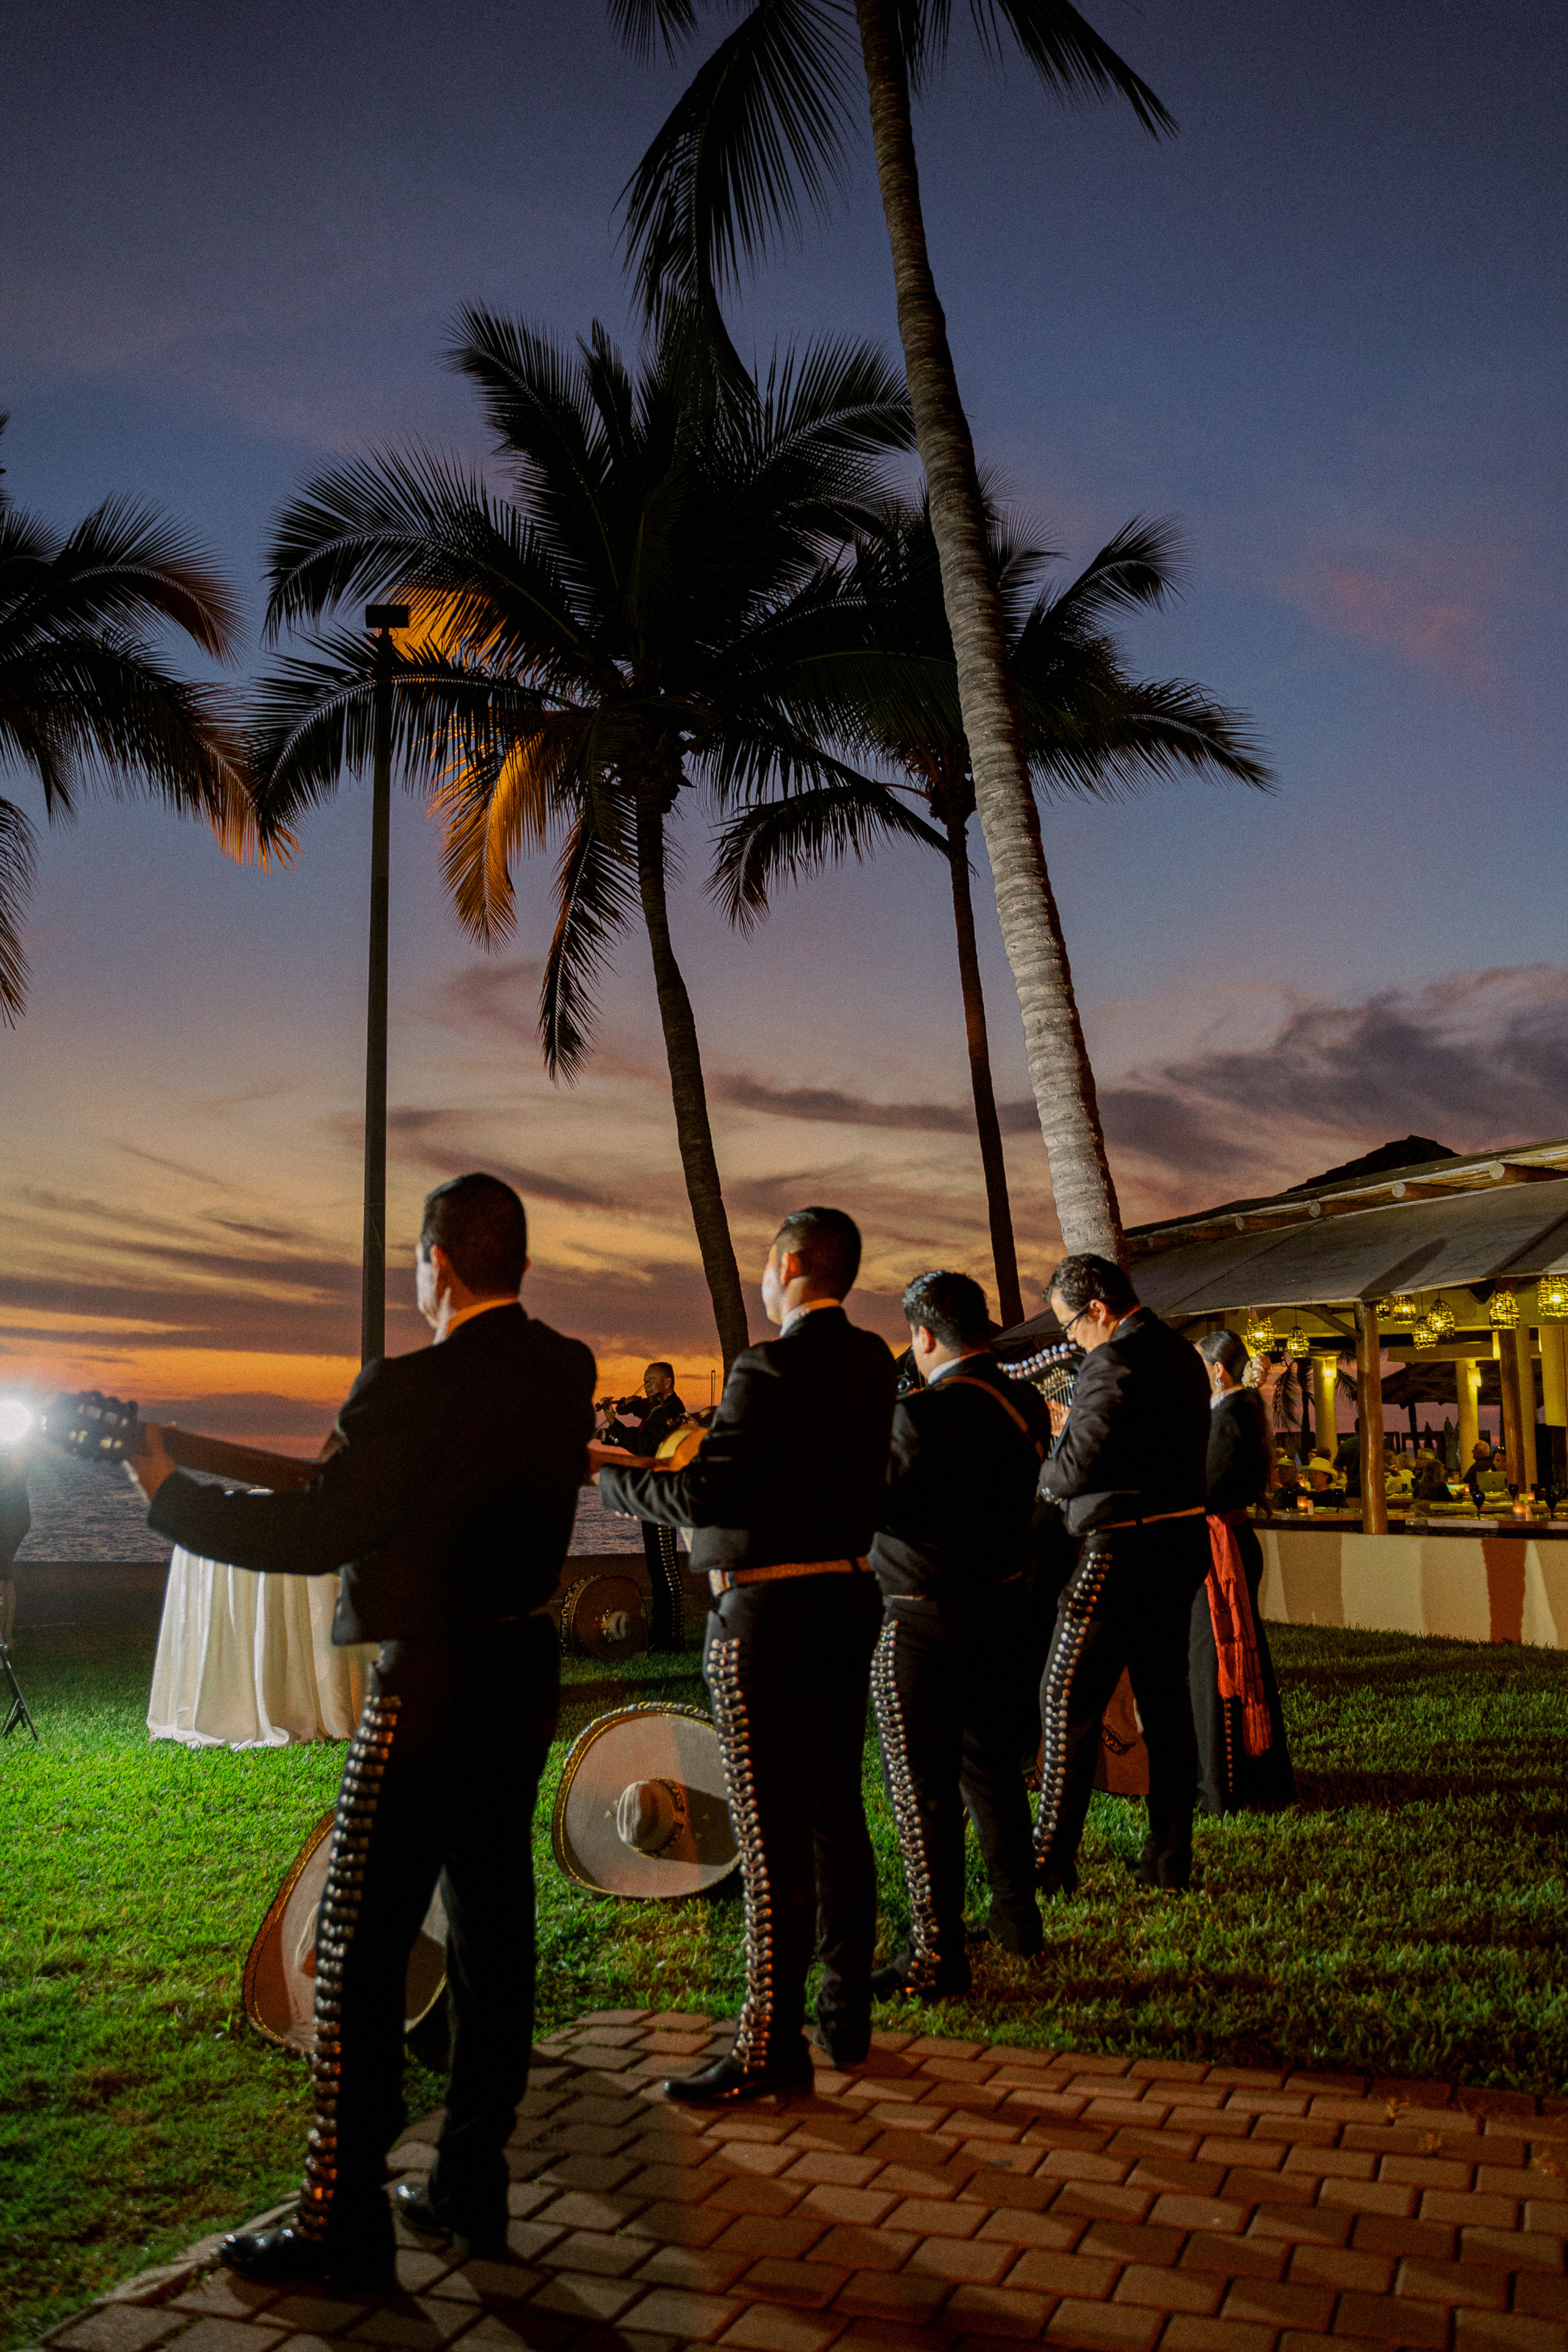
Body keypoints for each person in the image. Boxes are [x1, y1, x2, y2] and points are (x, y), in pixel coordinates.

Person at [127, 1174, 595, 2288]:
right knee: (493, 1929)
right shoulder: (561, 1369)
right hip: (520, 1668)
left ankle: (341, 2222)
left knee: (357, 1941)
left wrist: (165, 1493)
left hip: (428, 1681)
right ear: (517, 1263)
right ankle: (471, 2186)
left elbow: (324, 1528)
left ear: (434, 1263)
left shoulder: (407, 1385)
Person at [598, 1207, 895, 2100]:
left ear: (794, 1263)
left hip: (767, 1616)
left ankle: (770, 2045)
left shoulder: (770, 1367)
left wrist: (610, 1471)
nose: (763, 1280)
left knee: (771, 1832)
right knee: (835, 1814)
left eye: (768, 1264)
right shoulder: (873, 1360)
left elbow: (702, 1492)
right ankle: (844, 2014)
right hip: (847, 1597)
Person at [868, 1270, 1054, 1999]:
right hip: (1001, 1610)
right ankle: (1017, 1919)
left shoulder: (921, 1417)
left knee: (922, 1793)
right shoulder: (1024, 1400)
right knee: (994, 1776)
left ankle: (935, 1954)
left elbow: (872, 1506)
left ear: (922, 1334)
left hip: (923, 1618)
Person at [1033, 1253, 1211, 1894]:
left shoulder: (1110, 1360)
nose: (1070, 1340)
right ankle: (1169, 1861)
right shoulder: (1183, 1355)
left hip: (1117, 1554)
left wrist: (1039, 1469)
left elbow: (1076, 1468)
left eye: (1070, 1327)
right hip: (1179, 1545)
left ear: (1098, 1310)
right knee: (1165, 1707)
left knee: (1063, 1703)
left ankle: (1048, 1866)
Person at [1191, 1331, 1295, 1815]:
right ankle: (1230, 1775)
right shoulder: (1228, 1414)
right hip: (1224, 1544)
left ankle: (1225, 1782)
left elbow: (1207, 1487)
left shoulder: (1230, 1417)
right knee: (1210, 1660)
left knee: (1218, 1661)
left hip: (1222, 1550)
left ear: (1216, 1370)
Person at [604, 1362, 689, 1648]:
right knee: (658, 1566)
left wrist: (613, 1426)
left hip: (662, 1496)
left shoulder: (667, 1412)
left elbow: (645, 1447)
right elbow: (646, 1415)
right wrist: (628, 1409)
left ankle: (672, 1636)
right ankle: (663, 1634)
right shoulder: (661, 1409)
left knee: (664, 1566)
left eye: (652, 1381)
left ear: (668, 1382)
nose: (647, 1387)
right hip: (655, 1496)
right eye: (644, 1381)